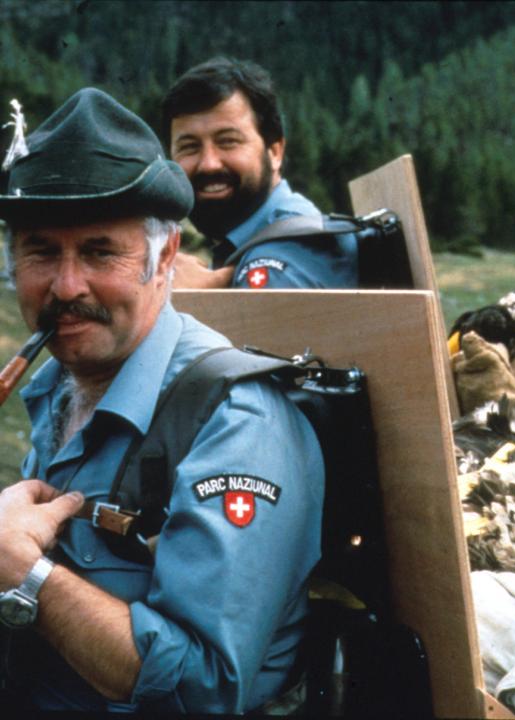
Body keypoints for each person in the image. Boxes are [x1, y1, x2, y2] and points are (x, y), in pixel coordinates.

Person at [0, 88, 323, 713]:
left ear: (165, 257)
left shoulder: (235, 422)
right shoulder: (66, 383)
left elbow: (204, 687)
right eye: (41, 250)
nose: (66, 285)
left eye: (100, 251)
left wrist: (27, 577)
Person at [161, 56, 359, 289]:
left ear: (275, 152)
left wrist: (195, 305)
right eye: (189, 147)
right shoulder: (256, 241)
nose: (208, 164)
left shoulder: (284, 256)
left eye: (228, 141)